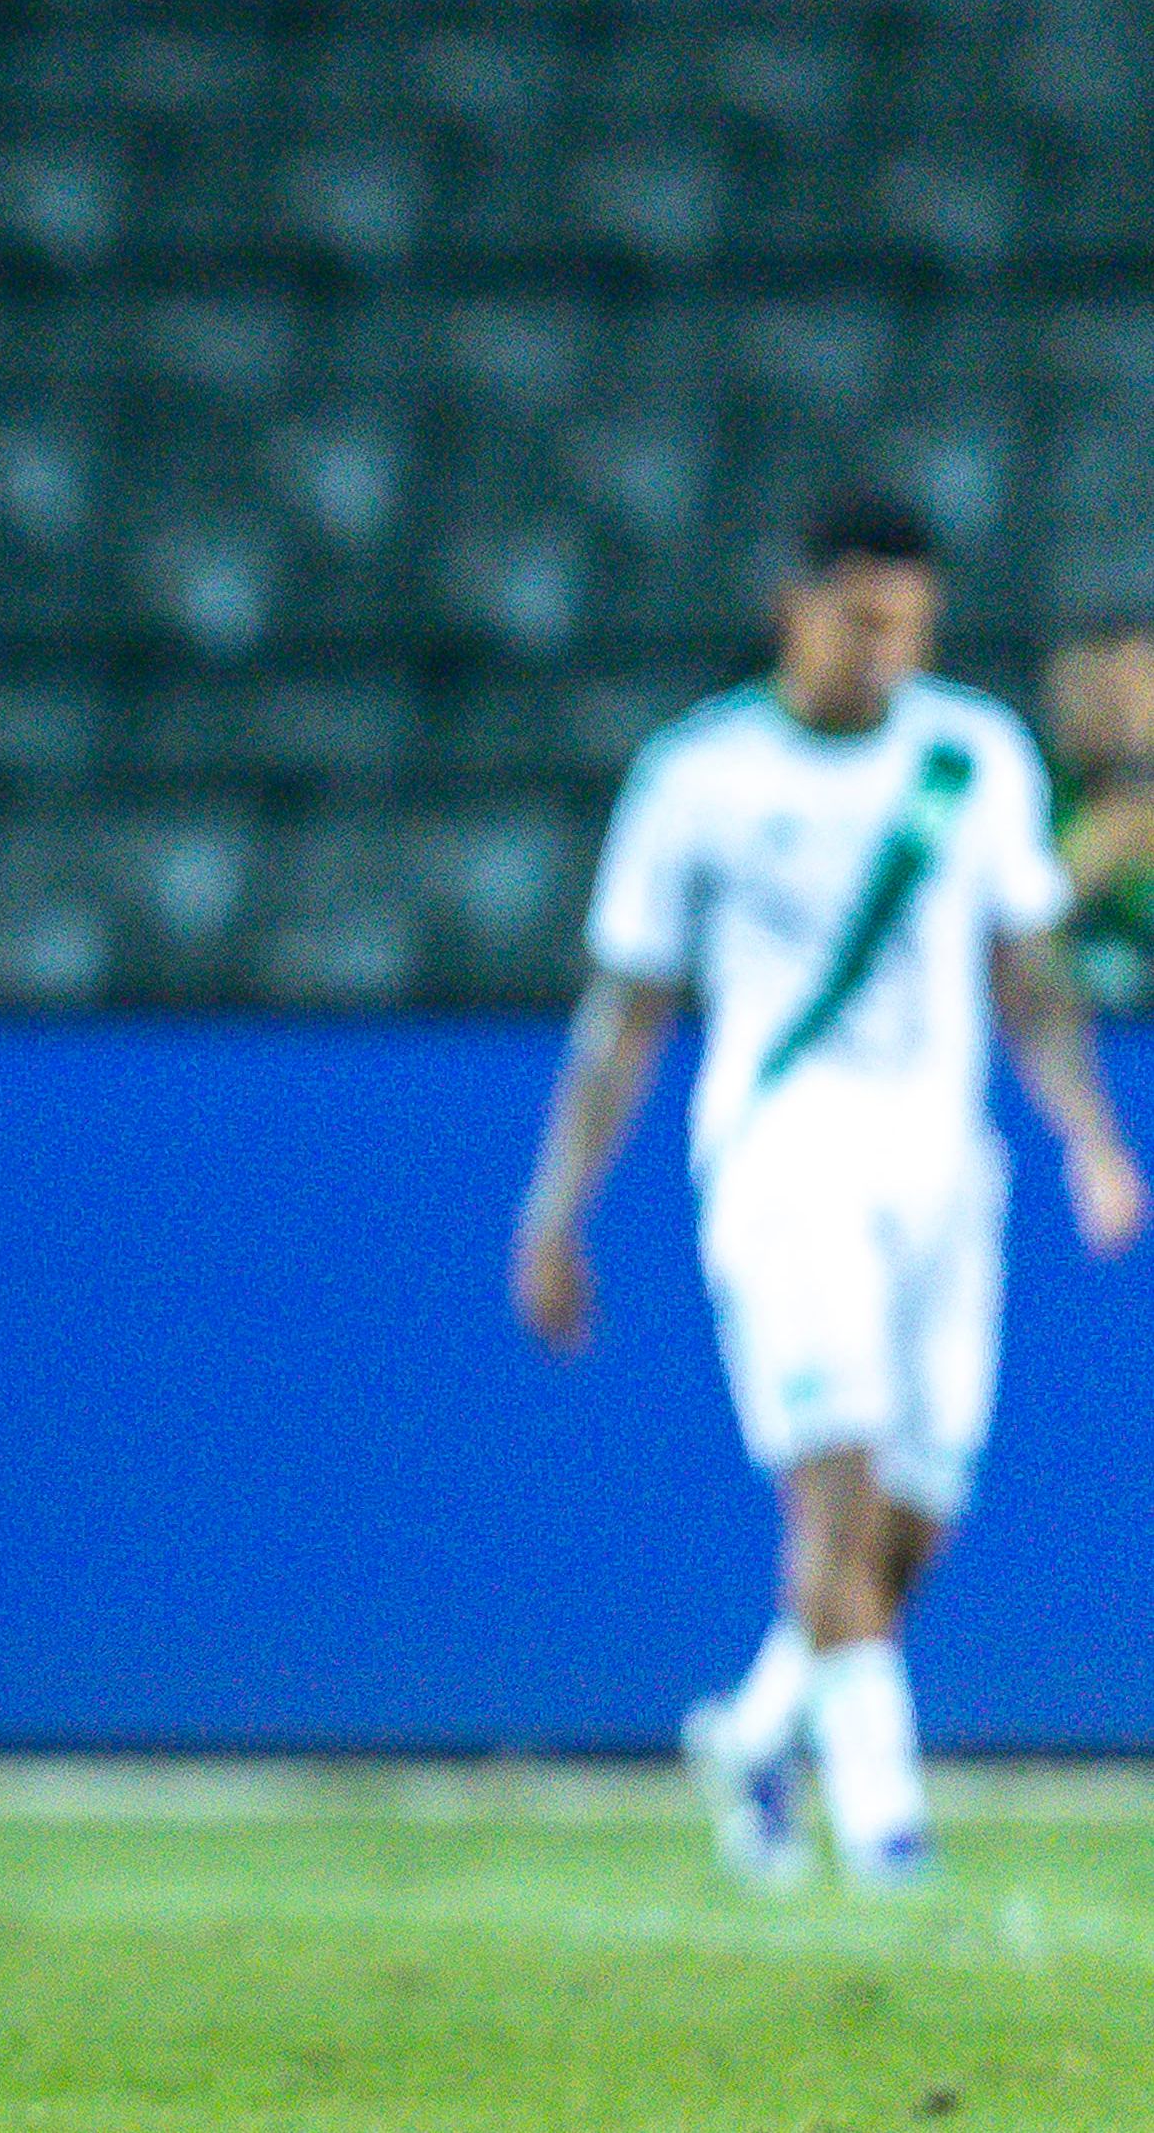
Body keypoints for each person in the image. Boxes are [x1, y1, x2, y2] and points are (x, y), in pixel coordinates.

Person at [513, 491, 1144, 1893]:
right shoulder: (699, 777)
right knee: (837, 1487)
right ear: (793, 608)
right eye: (862, 619)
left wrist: (1088, 1140)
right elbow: (624, 1008)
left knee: (910, 1517)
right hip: (782, 1156)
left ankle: (752, 1732)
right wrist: (555, 1207)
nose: (887, 650)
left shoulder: (968, 755)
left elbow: (1027, 979)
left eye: (911, 623)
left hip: (941, 1169)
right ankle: (885, 1828)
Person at [1041, 613, 1154, 1010]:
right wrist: (1089, 857)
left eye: (1133, 687)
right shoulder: (1025, 790)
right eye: (1092, 689)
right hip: (1052, 1039)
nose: (1116, 711)